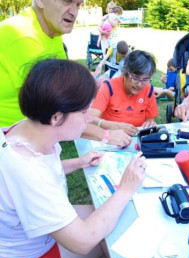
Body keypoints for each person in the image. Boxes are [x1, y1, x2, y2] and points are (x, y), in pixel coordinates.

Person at [0, 58, 147, 258]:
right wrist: (125, 188)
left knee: (105, 214)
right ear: (56, 118)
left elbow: (42, 171)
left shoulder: (24, 131)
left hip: (23, 240)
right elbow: (83, 241)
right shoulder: (27, 171)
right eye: (82, 112)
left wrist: (77, 162)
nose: (89, 119)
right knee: (108, 231)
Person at [0, 0, 131, 148]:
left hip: (34, 140)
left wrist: (93, 84)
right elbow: (60, 108)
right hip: (11, 146)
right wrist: (107, 134)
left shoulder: (50, 31)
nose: (74, 12)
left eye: (78, 4)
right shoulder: (22, 36)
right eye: (67, 1)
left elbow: (70, 91)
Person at [90, 50, 159, 137]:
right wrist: (116, 126)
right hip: (110, 137)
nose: (139, 84)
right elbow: (91, 118)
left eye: (145, 79)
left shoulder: (148, 90)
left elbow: (149, 120)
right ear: (124, 72)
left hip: (136, 138)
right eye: (135, 78)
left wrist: (148, 125)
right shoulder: (108, 88)